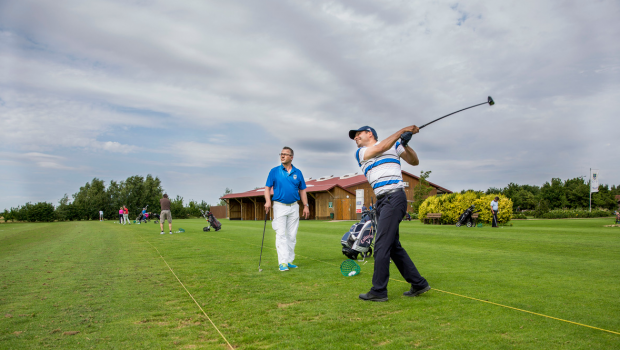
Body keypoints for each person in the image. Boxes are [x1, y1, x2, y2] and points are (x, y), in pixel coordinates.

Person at [350, 125, 430, 302]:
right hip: (382, 202)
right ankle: (419, 283)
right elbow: (380, 148)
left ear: (369, 133)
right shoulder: (362, 152)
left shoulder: (394, 145)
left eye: (358, 134)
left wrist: (405, 144)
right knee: (392, 246)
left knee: (381, 245)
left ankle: (378, 291)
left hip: (394, 198)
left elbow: (414, 161)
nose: (355, 138)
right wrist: (402, 131)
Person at [264, 146, 309, 272]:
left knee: (292, 235)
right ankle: (282, 262)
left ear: (291, 157)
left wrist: (306, 206)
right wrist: (268, 201)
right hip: (279, 206)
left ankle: (289, 260)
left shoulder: (298, 172)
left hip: (294, 206)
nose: (282, 156)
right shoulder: (274, 171)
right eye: (281, 154)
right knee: (281, 234)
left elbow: (303, 190)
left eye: (285, 154)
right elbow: (267, 188)